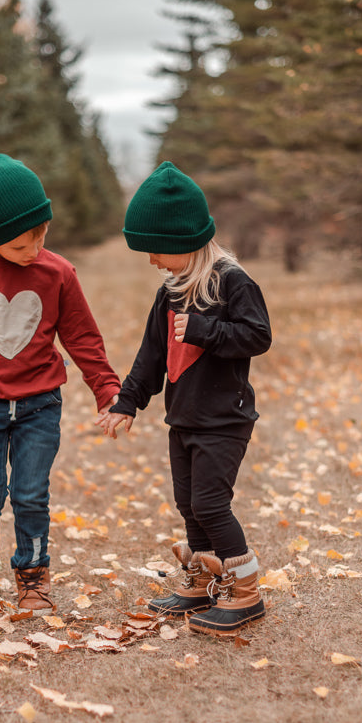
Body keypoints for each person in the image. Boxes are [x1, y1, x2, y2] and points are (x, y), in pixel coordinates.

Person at [0, 154, 120, 613]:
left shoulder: (58, 273)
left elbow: (82, 337)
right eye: (18, 246)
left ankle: (33, 577)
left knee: (31, 495)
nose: (32, 251)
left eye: (41, 237)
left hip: (40, 404)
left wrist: (107, 389)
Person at [98, 161, 271, 637]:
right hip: (185, 416)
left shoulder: (232, 282)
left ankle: (247, 591)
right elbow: (152, 355)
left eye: (156, 250)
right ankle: (199, 581)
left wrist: (205, 330)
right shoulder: (170, 290)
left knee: (212, 503)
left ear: (183, 243)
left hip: (224, 418)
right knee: (188, 503)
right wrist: (127, 400)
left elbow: (258, 335)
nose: (151, 260)